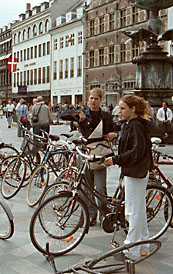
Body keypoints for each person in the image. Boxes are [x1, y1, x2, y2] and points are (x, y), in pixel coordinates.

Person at [103, 95, 153, 261]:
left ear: (133, 109)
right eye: (119, 108)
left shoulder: (136, 126)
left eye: (123, 108)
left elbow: (137, 151)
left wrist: (117, 159)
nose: (120, 111)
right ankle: (144, 246)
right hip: (134, 170)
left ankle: (131, 250)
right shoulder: (132, 124)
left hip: (135, 171)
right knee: (138, 209)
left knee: (132, 211)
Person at [61, 88, 117, 225]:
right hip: (85, 152)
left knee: (100, 186)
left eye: (96, 98)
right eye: (91, 98)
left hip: (99, 153)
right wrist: (77, 113)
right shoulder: (83, 113)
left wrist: (112, 135)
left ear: (100, 100)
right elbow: (63, 115)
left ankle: (104, 214)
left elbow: (115, 130)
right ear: (88, 100)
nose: (93, 101)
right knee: (86, 186)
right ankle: (90, 214)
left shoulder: (106, 115)